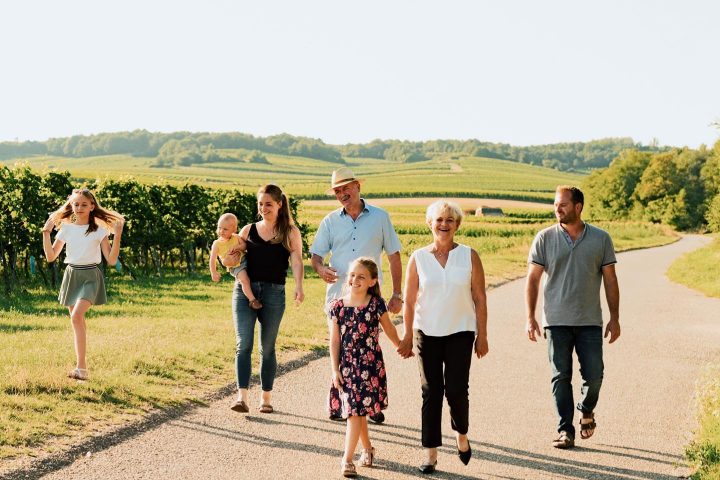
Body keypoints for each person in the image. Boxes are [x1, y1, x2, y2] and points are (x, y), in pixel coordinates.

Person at [525, 185, 620, 449]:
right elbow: (532, 280)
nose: (558, 208)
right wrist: (530, 317)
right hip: (555, 320)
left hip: (590, 320)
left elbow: (611, 281)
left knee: (595, 375)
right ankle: (565, 430)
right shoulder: (544, 238)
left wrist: (615, 317)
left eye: (563, 204)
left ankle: (586, 409)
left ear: (578, 207)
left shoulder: (601, 239)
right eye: (556, 204)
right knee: (560, 376)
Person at [397, 200, 489, 474]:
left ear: (457, 225)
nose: (444, 224)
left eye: (450, 220)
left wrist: (482, 335)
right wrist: (406, 335)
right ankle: (430, 452)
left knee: (457, 390)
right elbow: (410, 301)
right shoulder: (419, 257)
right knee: (431, 391)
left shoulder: (470, 256)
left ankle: (461, 434)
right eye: (439, 219)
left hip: (461, 330)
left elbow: (480, 298)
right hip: (427, 332)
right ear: (430, 223)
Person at [311, 167, 403, 424]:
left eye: (345, 188)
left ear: (357, 187)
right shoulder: (330, 221)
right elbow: (316, 257)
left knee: (369, 348)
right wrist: (320, 269)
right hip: (338, 297)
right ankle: (342, 402)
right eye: (337, 191)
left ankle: (370, 403)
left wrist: (397, 293)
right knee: (339, 347)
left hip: (369, 297)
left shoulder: (380, 217)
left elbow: (394, 255)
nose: (342, 194)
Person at [228, 184, 304, 414]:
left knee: (267, 348)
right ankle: (242, 397)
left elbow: (297, 260)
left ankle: (266, 398)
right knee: (243, 345)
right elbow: (234, 258)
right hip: (245, 293)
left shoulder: (289, 231)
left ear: (280, 204)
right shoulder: (248, 229)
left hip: (274, 293)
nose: (263, 208)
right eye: (260, 204)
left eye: (268, 204)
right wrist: (228, 256)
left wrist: (299, 285)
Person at [328, 257, 403, 478]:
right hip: (347, 366)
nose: (355, 279)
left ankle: (346, 459)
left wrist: (401, 346)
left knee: (356, 412)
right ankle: (367, 448)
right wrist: (334, 370)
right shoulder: (337, 307)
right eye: (352, 275)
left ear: (372, 281)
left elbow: (388, 329)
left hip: (370, 365)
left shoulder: (376, 304)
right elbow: (334, 341)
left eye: (361, 276)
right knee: (355, 411)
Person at [41, 188, 125, 381]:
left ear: (92, 207)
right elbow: (51, 256)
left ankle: (82, 368)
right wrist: (46, 232)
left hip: (90, 276)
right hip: (72, 275)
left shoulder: (99, 230)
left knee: (77, 316)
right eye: (76, 204)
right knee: (77, 321)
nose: (79, 208)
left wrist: (117, 235)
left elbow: (111, 260)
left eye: (84, 204)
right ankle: (81, 368)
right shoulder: (66, 229)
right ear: (71, 205)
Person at [209, 212, 261, 309]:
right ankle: (252, 300)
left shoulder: (236, 237)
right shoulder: (217, 244)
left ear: (234, 229)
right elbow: (212, 259)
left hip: (246, 259)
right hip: (236, 266)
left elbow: (245, 245)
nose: (221, 231)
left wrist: (238, 247)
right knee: (244, 280)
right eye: (219, 228)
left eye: (225, 229)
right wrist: (213, 272)